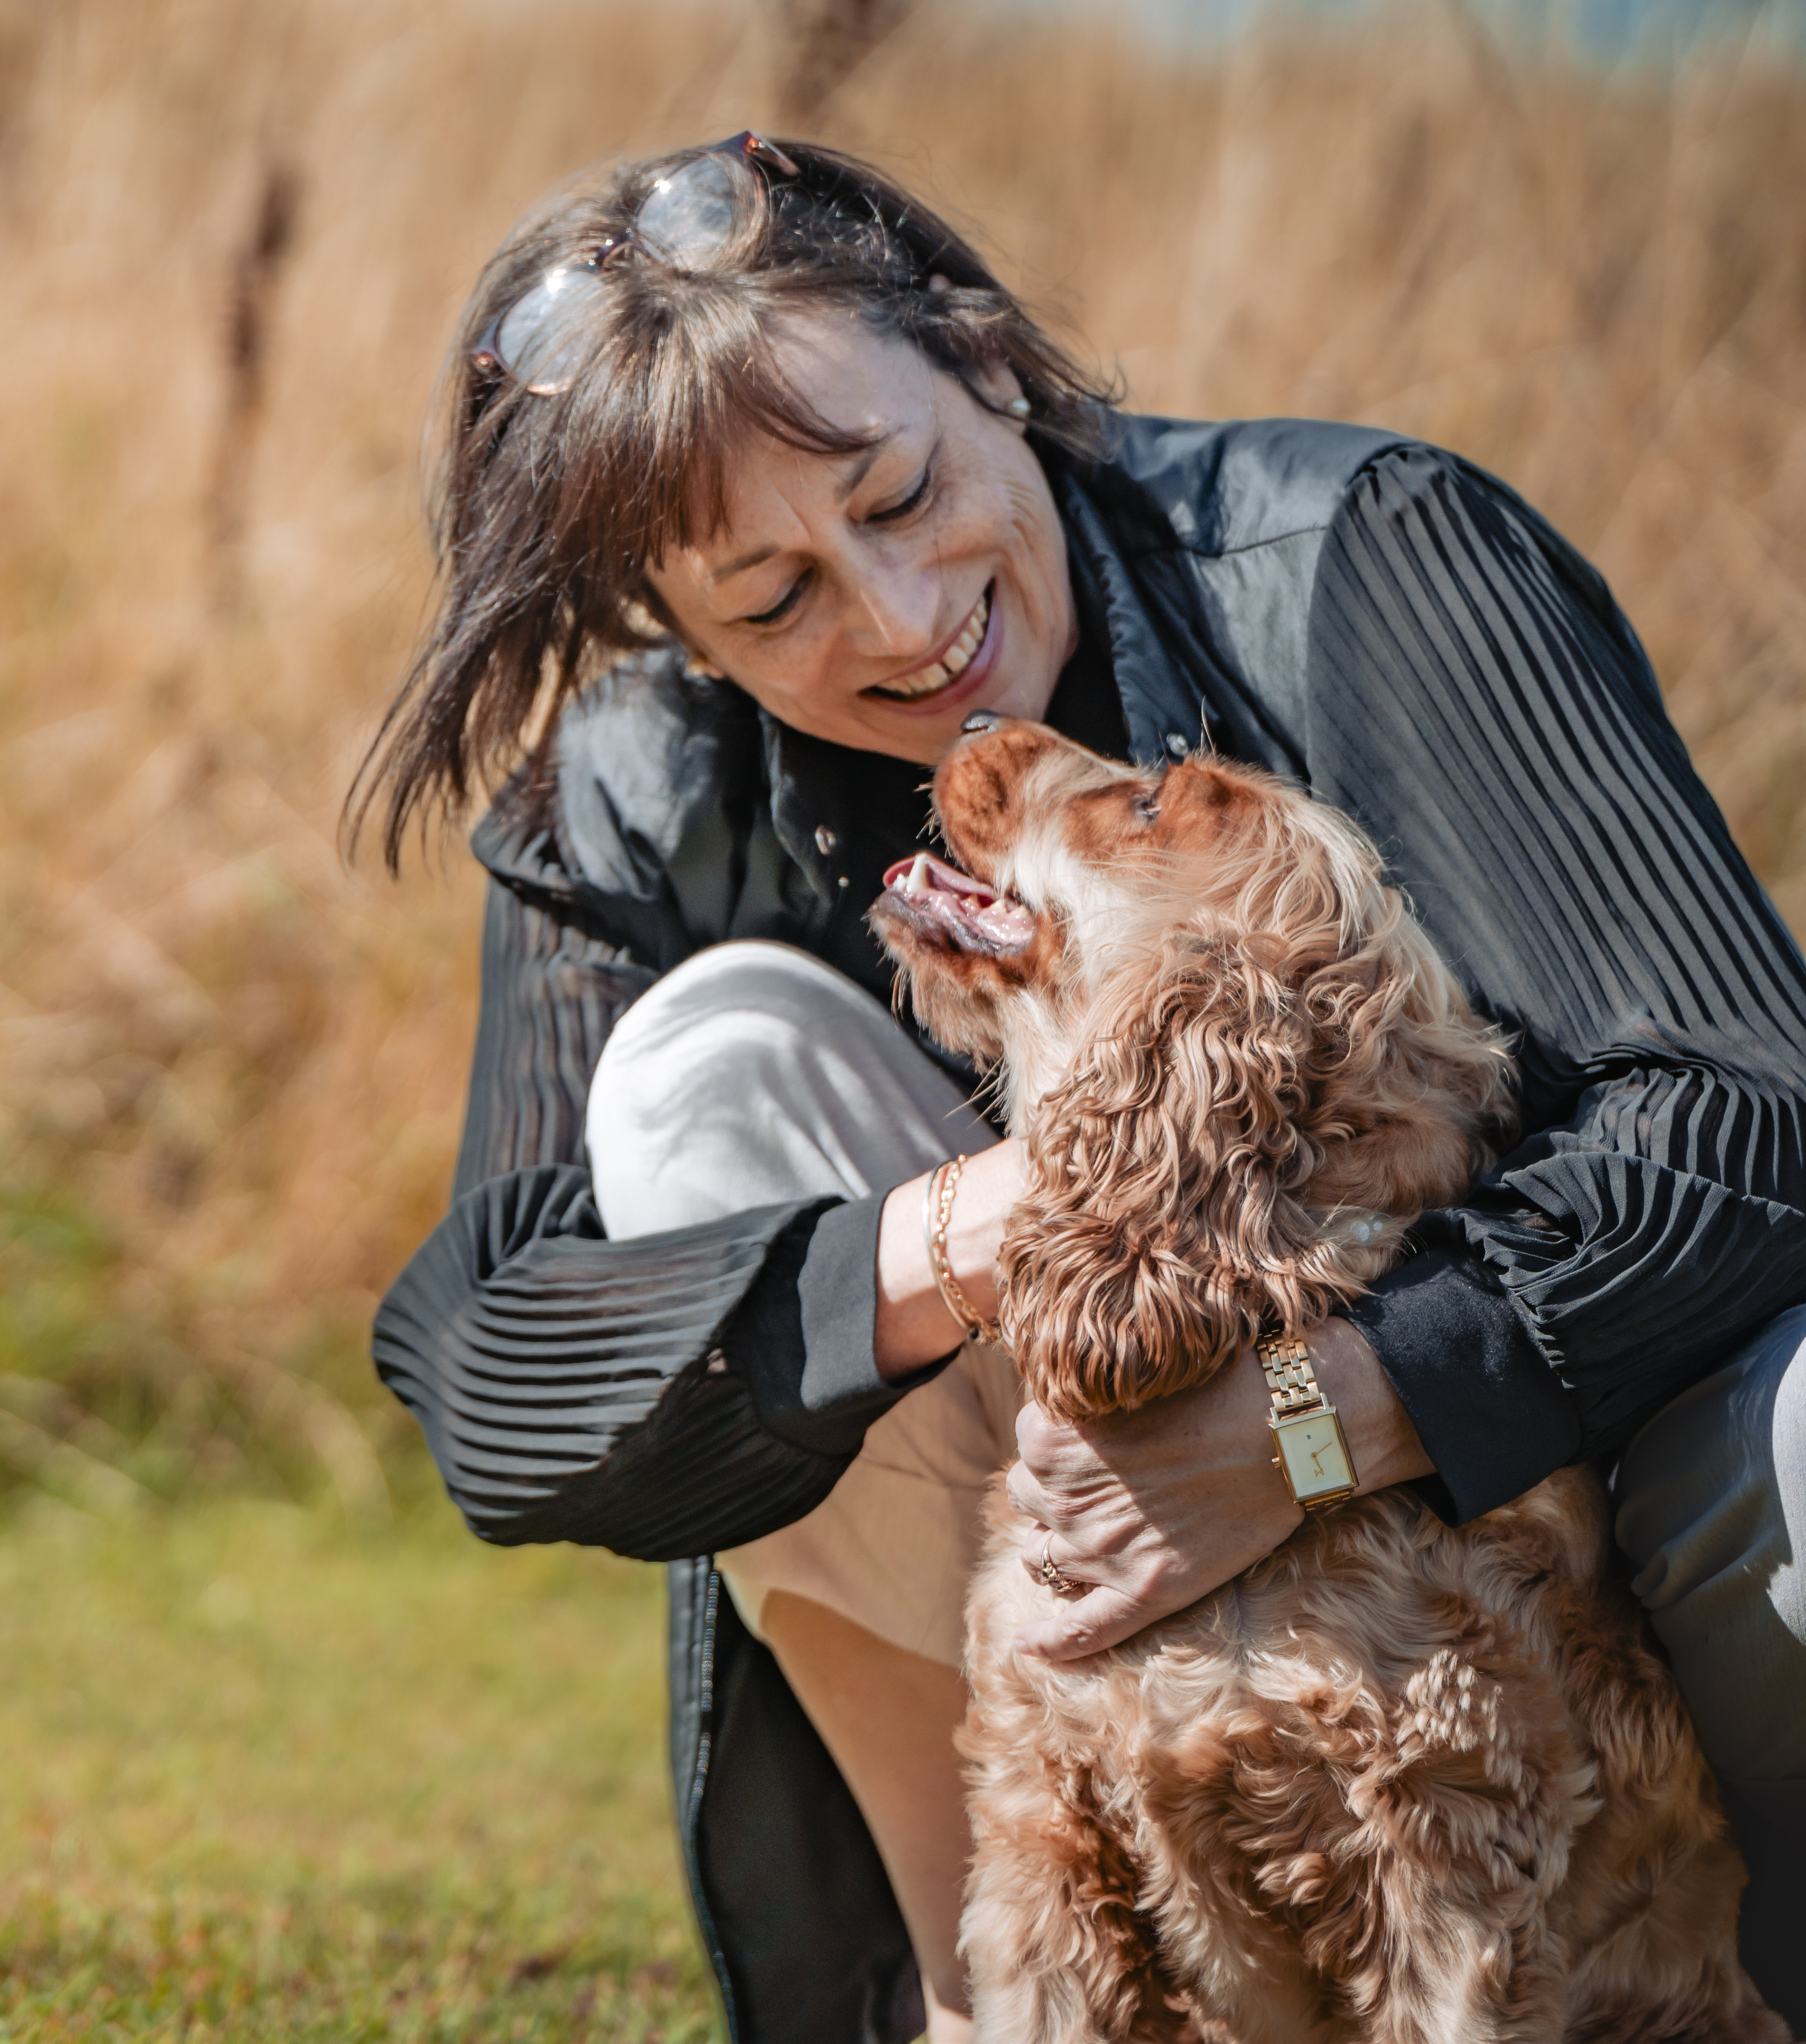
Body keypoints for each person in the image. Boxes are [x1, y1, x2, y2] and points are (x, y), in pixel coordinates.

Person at [360, 133, 1806, 2044]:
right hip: (1053, 1527)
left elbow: (1750, 1104)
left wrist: (1331, 1413)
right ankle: (996, 1993)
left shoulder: (1367, 558)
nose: (895, 623)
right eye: (772, 598)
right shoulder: (631, 795)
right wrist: (1003, 1221)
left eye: (902, 492)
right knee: (709, 1070)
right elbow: (493, 1371)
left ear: (987, 366)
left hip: (1586, 1536)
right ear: (673, 627)